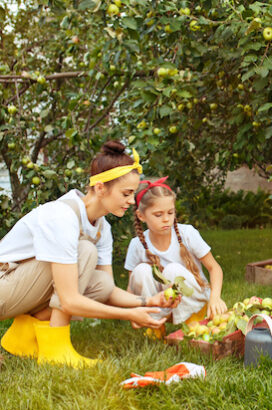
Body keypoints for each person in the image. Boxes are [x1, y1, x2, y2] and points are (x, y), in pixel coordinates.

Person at [0, 141, 177, 368]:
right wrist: (129, 315)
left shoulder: (103, 228)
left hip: (21, 289)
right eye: (126, 193)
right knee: (84, 251)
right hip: (4, 286)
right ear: (101, 188)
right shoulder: (63, 217)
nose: (132, 201)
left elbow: (105, 291)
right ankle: (55, 349)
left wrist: (145, 302)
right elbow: (70, 301)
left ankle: (22, 337)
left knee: (100, 281)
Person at [125, 177, 227, 329]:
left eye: (170, 212)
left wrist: (215, 298)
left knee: (172, 270)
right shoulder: (136, 244)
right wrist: (131, 311)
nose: (166, 219)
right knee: (140, 271)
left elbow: (215, 268)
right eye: (158, 215)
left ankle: (192, 320)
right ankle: (154, 323)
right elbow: (132, 286)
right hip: (162, 302)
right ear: (141, 216)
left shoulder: (187, 233)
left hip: (194, 299)